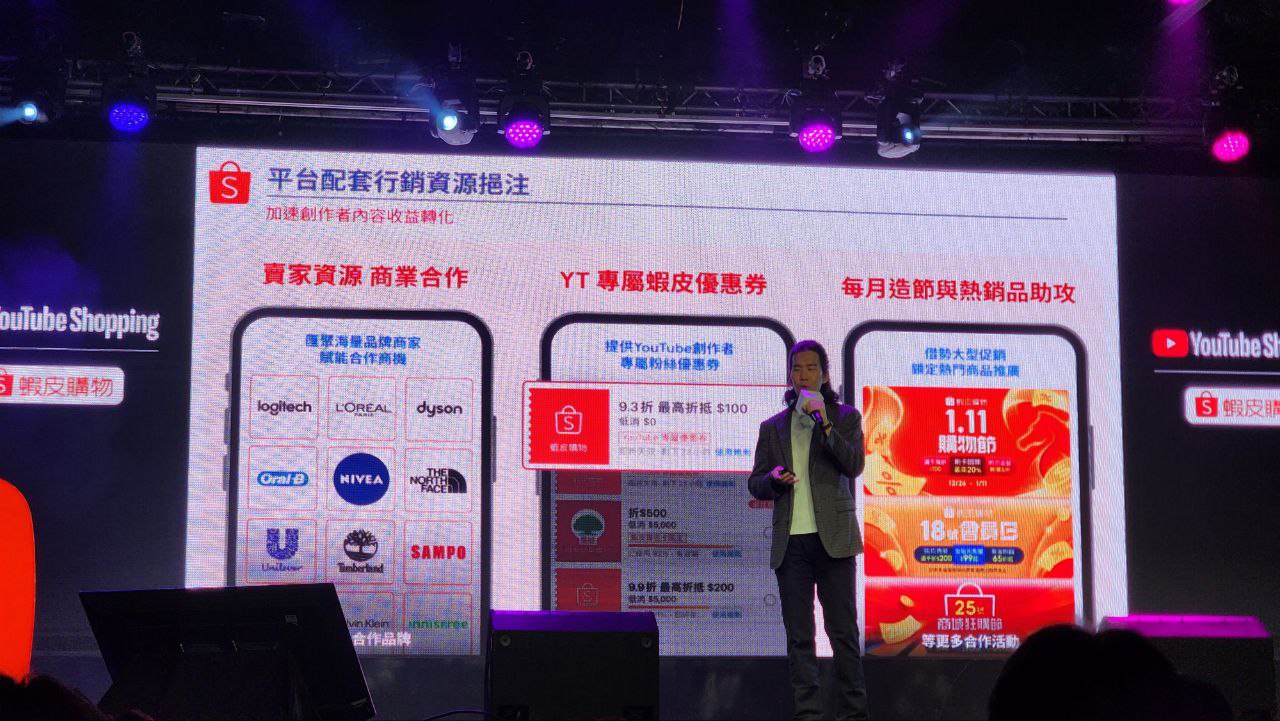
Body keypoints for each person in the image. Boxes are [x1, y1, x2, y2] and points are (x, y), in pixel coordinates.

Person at [748, 339, 869, 720]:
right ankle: (808, 715)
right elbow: (756, 482)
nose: (803, 375)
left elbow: (853, 465)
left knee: (843, 634)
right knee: (800, 638)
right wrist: (773, 478)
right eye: (797, 369)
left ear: (825, 374)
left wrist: (825, 424)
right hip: (792, 545)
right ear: (790, 375)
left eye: (811, 368)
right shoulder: (773, 427)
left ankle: (853, 715)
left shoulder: (845, 417)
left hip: (834, 541)